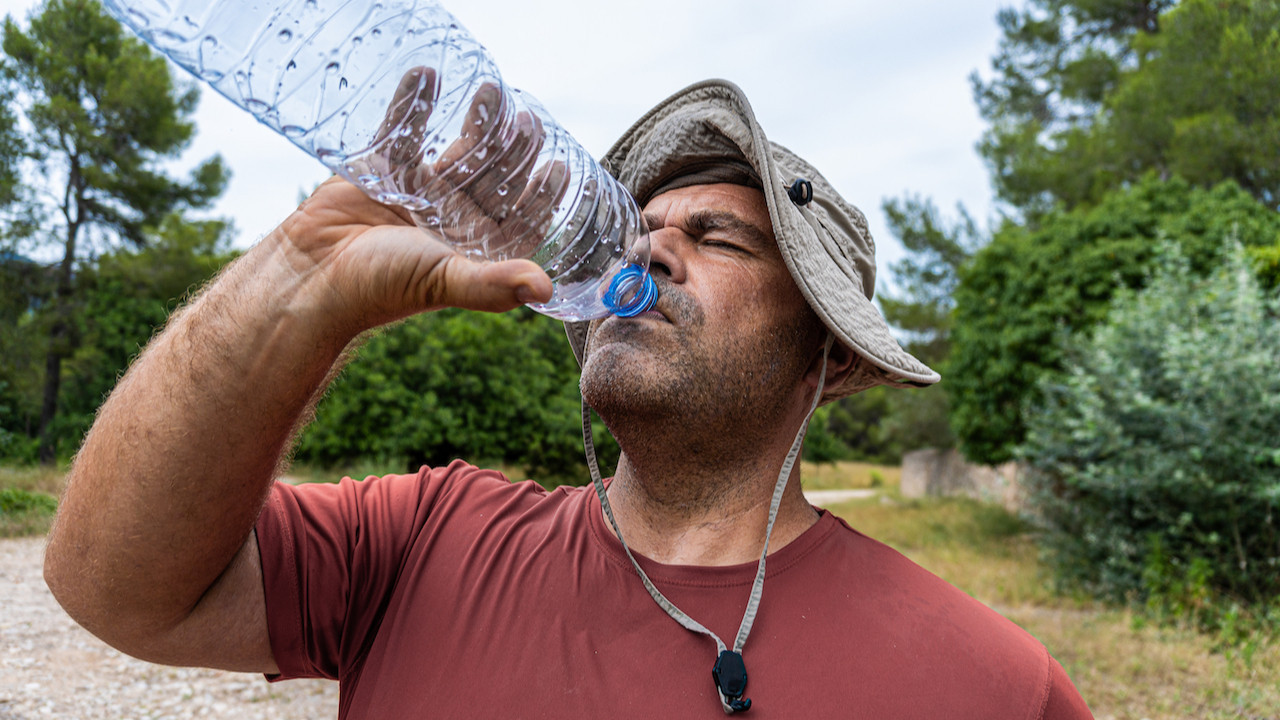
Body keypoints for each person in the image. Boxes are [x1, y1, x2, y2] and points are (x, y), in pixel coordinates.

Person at [43, 79, 1093, 718]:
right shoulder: (422, 541)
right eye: (639, 226)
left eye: (717, 236)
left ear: (831, 354)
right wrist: (302, 279)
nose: (649, 246)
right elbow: (112, 586)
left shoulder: (994, 688)